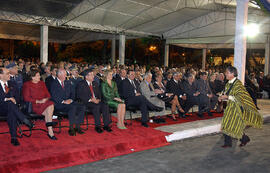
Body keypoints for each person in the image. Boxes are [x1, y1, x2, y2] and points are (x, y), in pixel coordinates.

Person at [218, 66, 263, 148]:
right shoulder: (228, 83)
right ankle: (228, 143)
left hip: (237, 109)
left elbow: (239, 98)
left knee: (235, 125)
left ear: (232, 74)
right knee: (226, 124)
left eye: (227, 73)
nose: (225, 74)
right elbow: (226, 93)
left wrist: (227, 97)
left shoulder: (238, 84)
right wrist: (221, 96)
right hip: (229, 107)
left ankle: (244, 139)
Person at [0, 68, 33, 146]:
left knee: (12, 110)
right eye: (7, 73)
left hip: (11, 108)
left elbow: (18, 97)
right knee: (10, 104)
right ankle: (24, 119)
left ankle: (14, 138)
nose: (9, 75)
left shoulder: (12, 83)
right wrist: (7, 99)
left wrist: (14, 99)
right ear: (1, 75)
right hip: (1, 108)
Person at [22, 69, 57, 140]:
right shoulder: (27, 85)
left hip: (45, 103)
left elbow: (48, 95)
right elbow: (26, 98)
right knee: (49, 109)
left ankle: (50, 130)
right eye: (38, 75)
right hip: (34, 105)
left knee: (50, 104)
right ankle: (50, 127)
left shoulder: (42, 83)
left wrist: (45, 100)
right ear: (32, 77)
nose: (40, 77)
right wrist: (38, 101)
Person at [50, 69, 86, 136]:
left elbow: (73, 93)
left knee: (81, 106)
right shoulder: (53, 83)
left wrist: (71, 100)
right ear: (59, 75)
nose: (66, 76)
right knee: (72, 107)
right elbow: (54, 96)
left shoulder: (67, 82)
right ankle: (71, 128)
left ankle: (78, 126)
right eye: (64, 74)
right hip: (59, 104)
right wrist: (63, 101)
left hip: (69, 102)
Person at [76, 69, 112, 133]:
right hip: (87, 102)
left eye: (93, 74)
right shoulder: (81, 84)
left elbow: (99, 94)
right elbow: (79, 95)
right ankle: (98, 126)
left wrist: (98, 99)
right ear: (86, 77)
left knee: (105, 105)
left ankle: (106, 125)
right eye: (91, 75)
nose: (93, 76)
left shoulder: (95, 83)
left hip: (96, 101)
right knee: (96, 106)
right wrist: (91, 99)